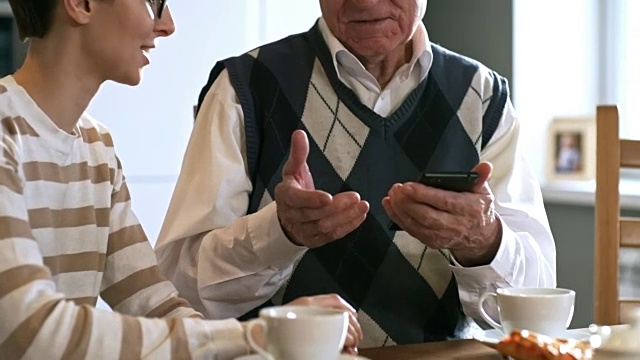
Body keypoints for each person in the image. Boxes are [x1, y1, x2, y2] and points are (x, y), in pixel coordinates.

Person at [156, 0, 556, 347]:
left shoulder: (482, 97)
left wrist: (483, 242)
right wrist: (278, 233)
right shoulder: (246, 87)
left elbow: (539, 301)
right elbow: (179, 291)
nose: (364, 2)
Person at [0, 0, 361, 358]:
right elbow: (28, 330)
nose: (167, 24)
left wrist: (286, 337)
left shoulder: (96, 147)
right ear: (81, 4)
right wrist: (257, 336)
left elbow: (155, 304)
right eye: (154, 2)